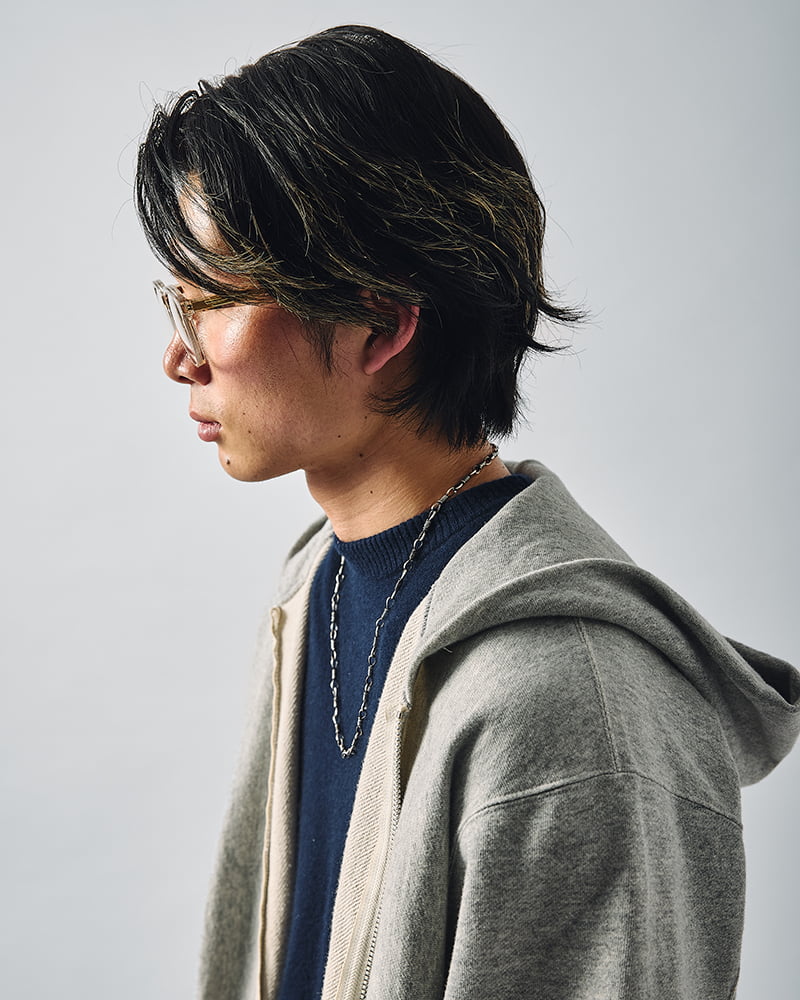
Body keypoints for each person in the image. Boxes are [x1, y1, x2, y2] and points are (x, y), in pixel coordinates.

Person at [136, 25, 799, 1000]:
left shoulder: (568, 703)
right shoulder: (317, 581)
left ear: (380, 324)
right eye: (177, 299)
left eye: (212, 300)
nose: (178, 356)